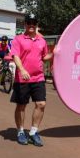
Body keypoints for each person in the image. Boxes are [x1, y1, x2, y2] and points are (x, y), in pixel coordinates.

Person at [10, 16, 53, 146]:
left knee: (41, 104)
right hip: (22, 78)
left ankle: (33, 132)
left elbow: (45, 56)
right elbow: (15, 56)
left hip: (38, 77)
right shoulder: (18, 39)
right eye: (29, 23)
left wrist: (55, 53)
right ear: (25, 24)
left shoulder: (42, 41)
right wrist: (22, 69)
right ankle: (21, 131)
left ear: (37, 24)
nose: (31, 25)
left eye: (34, 23)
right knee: (21, 106)